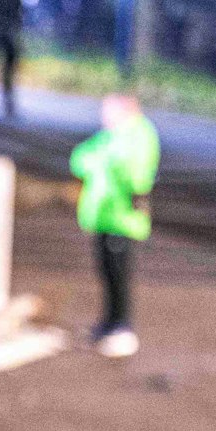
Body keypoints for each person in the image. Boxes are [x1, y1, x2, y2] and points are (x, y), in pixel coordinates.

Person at [70, 94, 159, 359]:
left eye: (107, 111)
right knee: (106, 274)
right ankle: (108, 324)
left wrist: (105, 163)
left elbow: (135, 175)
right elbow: (80, 159)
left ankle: (123, 328)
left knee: (119, 277)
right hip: (104, 218)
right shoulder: (111, 136)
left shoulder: (139, 136)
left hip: (122, 220)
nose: (103, 117)